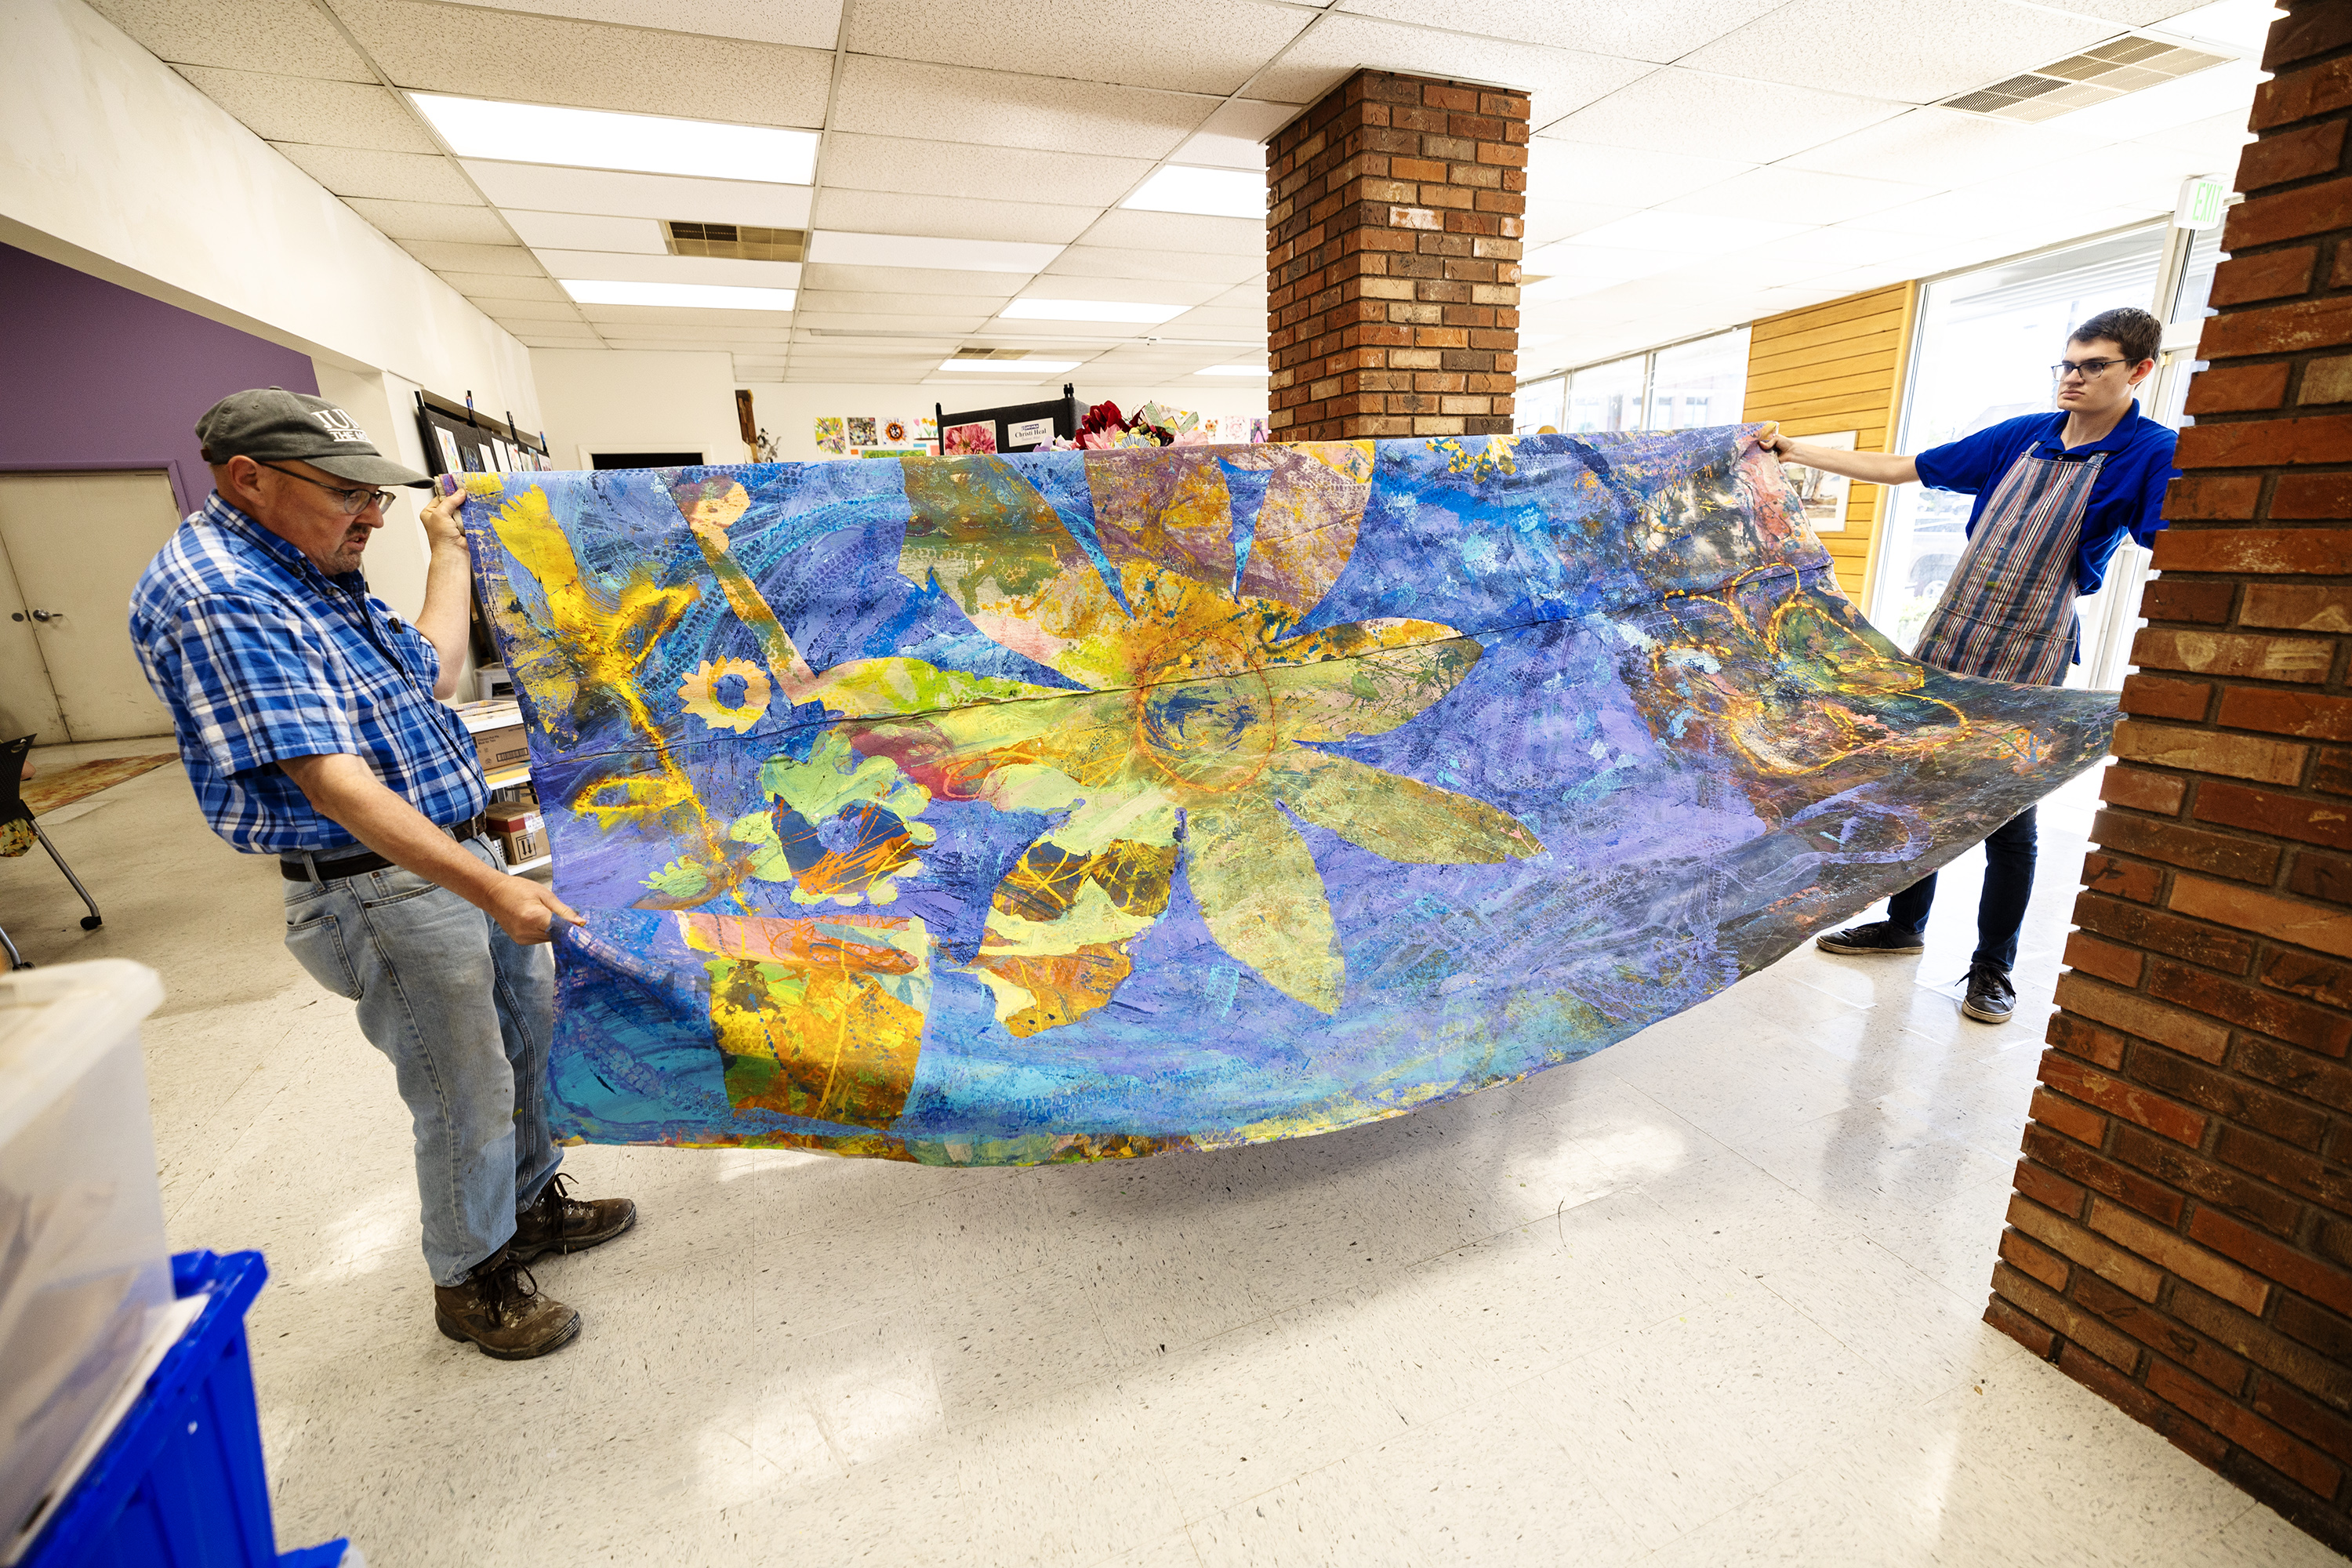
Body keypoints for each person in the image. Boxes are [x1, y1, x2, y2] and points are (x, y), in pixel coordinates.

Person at [129, 388, 633, 1359]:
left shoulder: (312, 566)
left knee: (527, 1038)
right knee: (462, 1086)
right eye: (349, 494)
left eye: (379, 497)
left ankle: (526, 1205)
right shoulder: (221, 595)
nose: (370, 515)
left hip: (449, 852)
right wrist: (491, 886)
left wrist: (448, 552)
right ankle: (470, 1276)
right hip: (376, 880)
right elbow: (333, 785)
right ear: (250, 479)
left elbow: (430, 674)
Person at [1764, 307, 2179, 1025]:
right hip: (1952, 635)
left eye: (2094, 366)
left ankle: (1993, 968)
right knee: (1919, 787)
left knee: (2007, 813)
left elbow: (2173, 543)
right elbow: (1901, 469)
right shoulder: (2024, 436)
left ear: (2140, 371)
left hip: (2031, 649)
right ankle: (1903, 926)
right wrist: (1792, 451)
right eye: (2069, 364)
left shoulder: (2152, 451)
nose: (2074, 378)